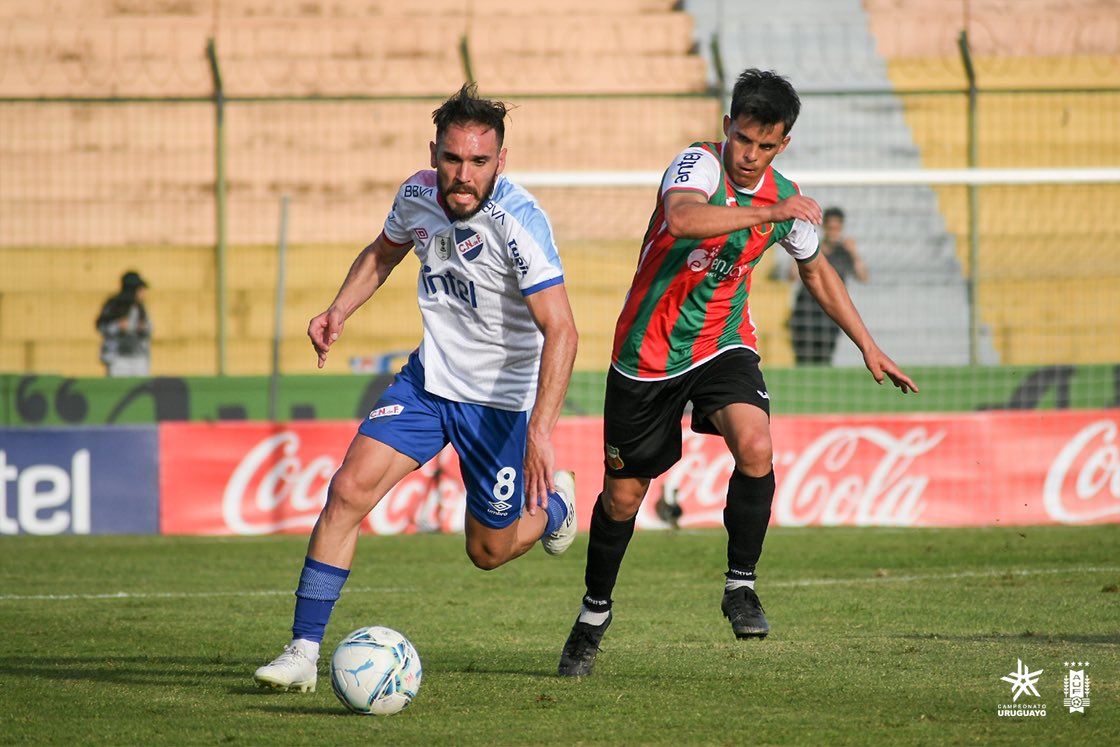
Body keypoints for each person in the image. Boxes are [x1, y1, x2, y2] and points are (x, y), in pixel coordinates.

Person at [556, 69, 917, 677]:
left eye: (765, 146)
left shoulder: (785, 195)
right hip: (647, 355)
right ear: (727, 129)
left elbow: (817, 272)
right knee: (623, 499)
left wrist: (868, 345)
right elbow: (683, 219)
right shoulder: (698, 164)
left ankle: (739, 585)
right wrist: (769, 211)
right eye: (743, 140)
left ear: (783, 145)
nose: (750, 156)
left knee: (756, 444)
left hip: (723, 344)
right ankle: (593, 616)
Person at [254, 84, 580, 693]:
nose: (463, 175)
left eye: (479, 162)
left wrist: (540, 432)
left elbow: (562, 330)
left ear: (500, 161)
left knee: (488, 551)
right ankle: (302, 651)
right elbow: (384, 252)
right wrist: (337, 311)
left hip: (500, 407)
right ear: (435, 151)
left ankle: (557, 506)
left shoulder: (521, 222)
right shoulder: (416, 193)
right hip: (428, 383)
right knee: (347, 490)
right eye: (453, 159)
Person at [788, 206, 869, 364]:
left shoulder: (844, 252)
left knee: (825, 359)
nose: (833, 232)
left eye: (837, 228)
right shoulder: (811, 247)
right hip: (806, 311)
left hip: (832, 312)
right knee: (802, 359)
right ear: (822, 226)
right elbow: (791, 277)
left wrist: (854, 253)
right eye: (830, 228)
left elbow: (863, 277)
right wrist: (796, 253)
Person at [96, 270, 151, 376]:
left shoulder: (140, 308)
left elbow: (150, 329)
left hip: (138, 357)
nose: (143, 293)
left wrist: (143, 328)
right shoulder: (114, 305)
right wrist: (117, 326)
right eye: (140, 290)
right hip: (117, 358)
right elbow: (101, 326)